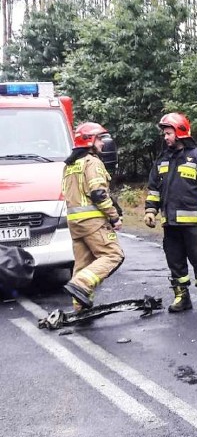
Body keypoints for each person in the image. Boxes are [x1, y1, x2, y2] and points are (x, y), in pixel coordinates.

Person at [144, 113, 197, 315]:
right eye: (164, 134)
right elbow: (153, 188)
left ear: (180, 132)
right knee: (175, 261)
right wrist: (150, 210)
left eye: (169, 133)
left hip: (194, 224)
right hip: (170, 223)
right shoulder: (162, 160)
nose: (165, 137)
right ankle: (182, 297)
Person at [61, 122, 124, 310]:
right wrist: (114, 217)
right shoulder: (92, 162)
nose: (103, 144)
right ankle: (80, 285)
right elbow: (98, 194)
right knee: (113, 255)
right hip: (93, 222)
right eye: (99, 139)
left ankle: (79, 305)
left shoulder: (70, 165)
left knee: (83, 263)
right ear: (90, 141)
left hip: (75, 223)